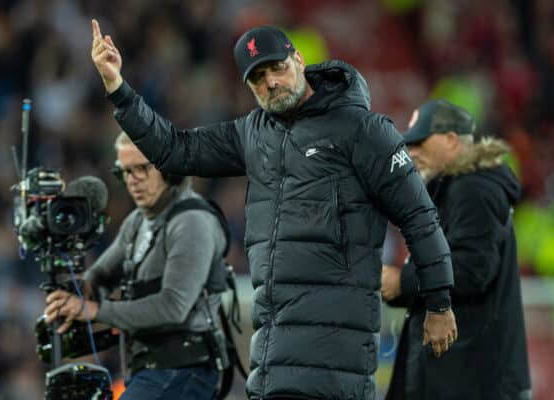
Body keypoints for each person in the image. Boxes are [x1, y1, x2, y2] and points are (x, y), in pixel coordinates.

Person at [90, 20, 458, 400]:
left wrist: (439, 302)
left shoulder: (364, 130)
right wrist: (119, 89)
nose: (271, 83)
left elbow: (419, 216)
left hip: (336, 354)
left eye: (277, 68)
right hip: (273, 356)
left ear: (298, 60)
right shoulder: (253, 133)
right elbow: (175, 150)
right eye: (257, 78)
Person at [44, 131, 228, 400]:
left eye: (142, 169)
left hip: (185, 369)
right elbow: (101, 275)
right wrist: (79, 289)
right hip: (151, 370)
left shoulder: (191, 222)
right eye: (125, 172)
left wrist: (94, 310)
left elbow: (174, 306)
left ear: (170, 168)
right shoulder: (138, 222)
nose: (133, 181)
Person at [382, 99, 532, 400]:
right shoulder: (456, 190)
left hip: (471, 380)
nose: (411, 151)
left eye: (421, 142)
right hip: (462, 378)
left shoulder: (473, 189)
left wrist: (403, 281)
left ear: (452, 140)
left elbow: (470, 270)